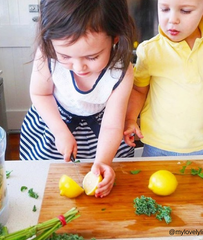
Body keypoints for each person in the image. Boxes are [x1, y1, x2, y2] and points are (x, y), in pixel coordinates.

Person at [20, 0, 135, 197]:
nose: (79, 67)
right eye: (65, 56)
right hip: (54, 121)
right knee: (46, 185)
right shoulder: (46, 54)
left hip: (102, 131)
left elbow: (111, 125)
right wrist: (60, 132)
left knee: (97, 174)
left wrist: (103, 162)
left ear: (115, 37)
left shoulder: (121, 71)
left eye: (92, 57)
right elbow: (41, 94)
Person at [124, 0, 203, 157]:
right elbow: (139, 89)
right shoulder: (150, 50)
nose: (172, 19)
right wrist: (130, 119)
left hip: (202, 144)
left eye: (185, 11)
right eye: (164, 9)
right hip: (158, 145)